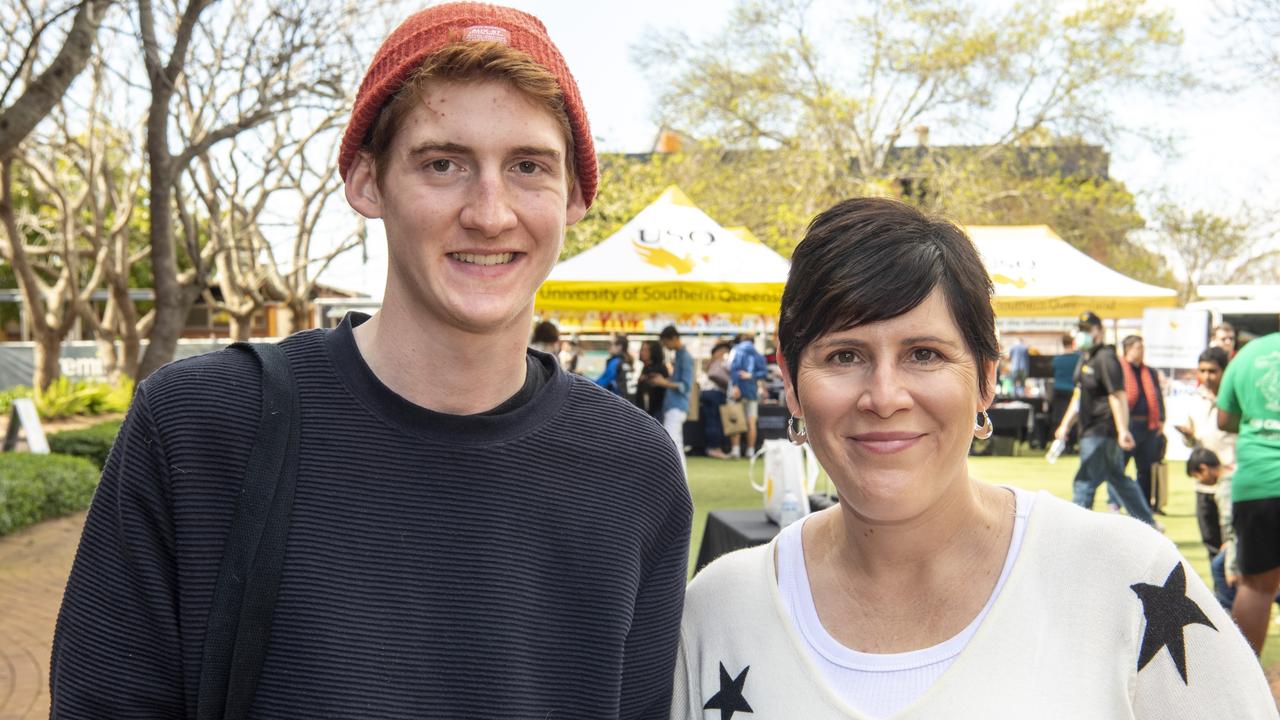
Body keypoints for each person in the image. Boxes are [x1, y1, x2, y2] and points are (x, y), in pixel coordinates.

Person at [49, 5, 692, 717]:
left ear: (574, 196)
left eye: (528, 166)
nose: (490, 212)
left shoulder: (635, 468)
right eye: (442, 163)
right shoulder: (198, 429)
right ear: (366, 181)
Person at [671, 197, 1270, 719]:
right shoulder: (719, 608)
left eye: (925, 354)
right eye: (845, 356)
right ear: (792, 382)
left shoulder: (1125, 580)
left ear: (986, 378)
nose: (884, 397)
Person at [1054, 312, 1158, 528]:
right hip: (1090, 428)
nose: (1084, 334)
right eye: (1082, 329)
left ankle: (1077, 528)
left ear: (1099, 331)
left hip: (1102, 428)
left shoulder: (1105, 357)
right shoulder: (1086, 358)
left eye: (1088, 329)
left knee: (1085, 481)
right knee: (1118, 479)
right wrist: (1065, 425)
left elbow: (1117, 395)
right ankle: (1148, 523)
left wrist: (1122, 430)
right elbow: (1079, 395)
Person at [1218, 330, 1280, 655]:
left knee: (1256, 587)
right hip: (1258, 484)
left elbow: (1225, 418)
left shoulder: (1249, 354)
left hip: (1257, 484)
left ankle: (1241, 691)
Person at [1173, 346, 1235, 559]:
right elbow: (1191, 442)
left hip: (1230, 482)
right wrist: (1188, 436)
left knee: (1235, 544)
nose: (1207, 376)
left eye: (1212, 371)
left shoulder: (1236, 399)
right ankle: (1217, 591)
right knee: (1211, 543)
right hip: (1203, 485)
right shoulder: (1195, 400)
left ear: (1224, 371)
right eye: (1203, 371)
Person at [1106, 335, 1165, 511]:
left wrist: (1161, 418)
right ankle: (1114, 503)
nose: (1142, 351)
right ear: (1128, 349)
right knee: (1118, 466)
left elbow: (1157, 396)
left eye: (1143, 347)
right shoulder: (1119, 369)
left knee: (1146, 468)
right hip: (1127, 423)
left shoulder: (1150, 372)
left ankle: (1145, 505)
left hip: (1148, 425)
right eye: (1138, 348)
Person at [648, 325, 695, 474]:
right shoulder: (680, 355)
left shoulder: (685, 357)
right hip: (674, 406)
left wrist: (663, 382)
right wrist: (665, 380)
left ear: (673, 338)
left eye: (665, 342)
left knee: (673, 444)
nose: (665, 346)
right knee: (675, 443)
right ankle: (680, 478)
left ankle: (679, 478)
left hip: (677, 406)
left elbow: (686, 385)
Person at [727, 331, 768, 458]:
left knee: (735, 420)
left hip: (736, 390)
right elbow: (764, 373)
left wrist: (735, 385)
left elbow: (731, 368)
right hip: (751, 391)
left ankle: (735, 450)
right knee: (751, 421)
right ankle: (750, 451)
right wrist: (752, 376)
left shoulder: (736, 350)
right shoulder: (757, 354)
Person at [700, 341, 734, 459]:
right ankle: (715, 448)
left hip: (706, 393)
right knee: (715, 422)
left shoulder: (710, 363)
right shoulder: (721, 362)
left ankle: (712, 447)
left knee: (710, 421)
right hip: (716, 394)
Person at [1050, 332, 1081, 452]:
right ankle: (1071, 444)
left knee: (1059, 417)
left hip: (1059, 390)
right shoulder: (1078, 358)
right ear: (1073, 343)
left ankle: (1061, 442)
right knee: (1073, 417)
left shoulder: (1057, 359)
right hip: (1073, 391)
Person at [634, 339, 668, 421]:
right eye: (642, 349)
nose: (642, 352)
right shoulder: (646, 367)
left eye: (646, 350)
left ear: (654, 352)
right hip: (646, 412)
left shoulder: (659, 368)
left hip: (655, 413)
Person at [595, 333, 631, 397]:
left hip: (617, 402)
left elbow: (602, 383)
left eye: (611, 344)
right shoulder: (628, 361)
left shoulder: (615, 362)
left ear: (619, 347)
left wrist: (583, 378)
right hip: (628, 402)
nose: (609, 347)